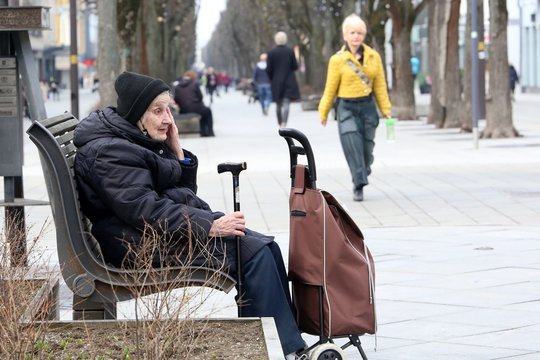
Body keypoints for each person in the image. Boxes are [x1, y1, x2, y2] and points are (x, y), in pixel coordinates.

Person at [73, 71, 305, 359]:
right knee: (254, 254)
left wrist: (176, 151)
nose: (168, 119)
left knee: (265, 246)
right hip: (137, 244)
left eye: (168, 109)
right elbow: (146, 210)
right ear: (136, 113)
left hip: (150, 233)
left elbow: (166, 194)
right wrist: (209, 225)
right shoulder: (109, 152)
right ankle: (282, 348)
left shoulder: (126, 138)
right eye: (158, 111)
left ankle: (287, 343)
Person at [318, 14, 391, 202]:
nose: (356, 36)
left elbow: (380, 85)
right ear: (345, 35)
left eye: (359, 33)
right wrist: (323, 111)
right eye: (352, 33)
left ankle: (363, 171)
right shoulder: (337, 60)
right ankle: (358, 184)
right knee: (353, 145)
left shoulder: (374, 57)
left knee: (367, 149)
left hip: (367, 106)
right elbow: (330, 87)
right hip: (346, 108)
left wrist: (386, 109)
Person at [266, 31, 300, 128]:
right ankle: (285, 122)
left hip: (276, 81)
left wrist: (272, 78)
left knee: (278, 104)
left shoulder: (271, 53)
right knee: (286, 103)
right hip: (289, 80)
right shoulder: (290, 51)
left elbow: (269, 69)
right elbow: (295, 66)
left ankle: (279, 122)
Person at [173, 70, 215, 137]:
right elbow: (200, 96)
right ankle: (209, 132)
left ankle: (203, 132)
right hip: (195, 107)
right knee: (207, 111)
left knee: (203, 111)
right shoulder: (194, 84)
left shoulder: (177, 86)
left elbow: (176, 99)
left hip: (183, 109)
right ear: (193, 77)